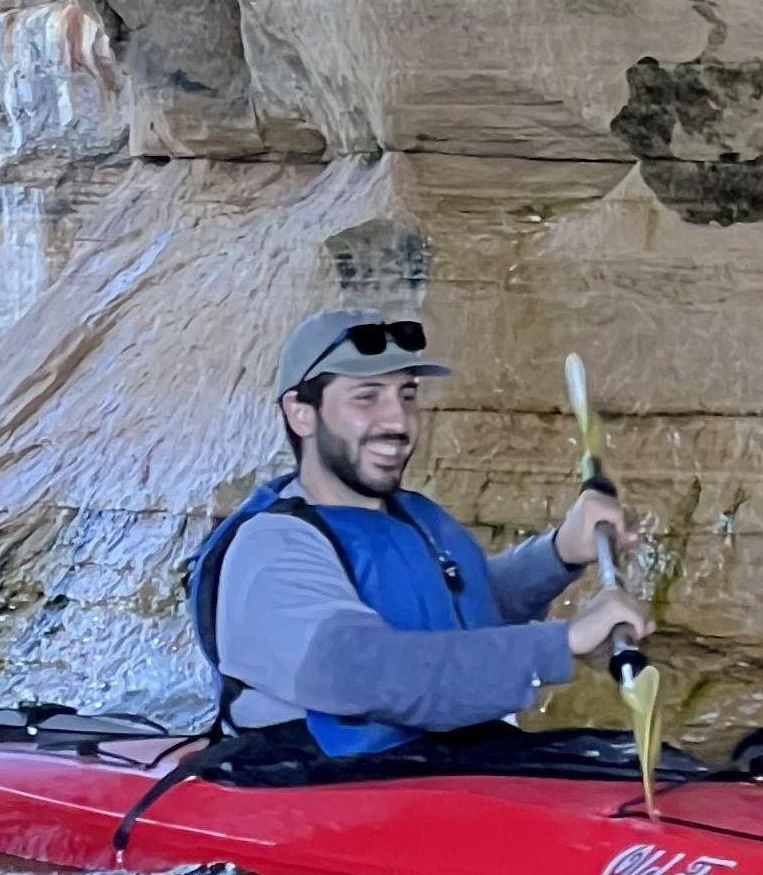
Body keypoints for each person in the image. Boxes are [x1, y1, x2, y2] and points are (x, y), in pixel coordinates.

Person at [188, 309, 649, 762]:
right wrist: (561, 642)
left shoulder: (412, 515)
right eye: (366, 397)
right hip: (330, 786)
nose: (398, 422)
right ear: (301, 414)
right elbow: (374, 674)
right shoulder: (272, 546)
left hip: (434, 766)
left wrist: (560, 553)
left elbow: (461, 607)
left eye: (407, 395)